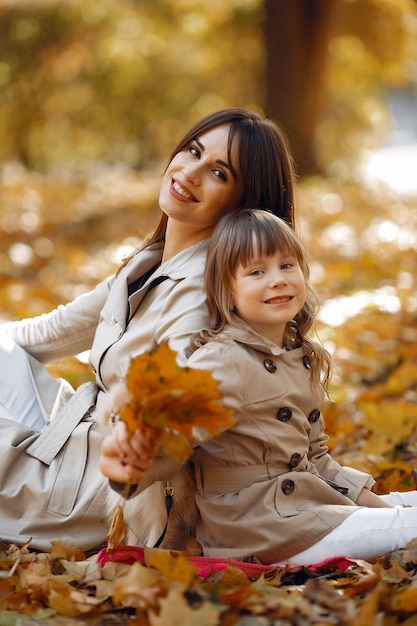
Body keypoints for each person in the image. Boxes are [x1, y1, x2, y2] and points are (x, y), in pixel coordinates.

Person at [0, 108, 296, 552]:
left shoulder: (202, 290)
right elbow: (45, 333)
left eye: (218, 172)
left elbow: (175, 414)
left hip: (102, 491)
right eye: (193, 151)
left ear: (243, 204)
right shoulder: (150, 264)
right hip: (73, 440)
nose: (189, 172)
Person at [100, 209, 417, 565]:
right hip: (255, 528)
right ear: (228, 290)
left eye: (287, 265)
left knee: (410, 507)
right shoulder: (220, 361)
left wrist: (382, 504)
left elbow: (316, 458)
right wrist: (130, 464)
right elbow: (175, 442)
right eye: (256, 272)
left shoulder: (299, 354)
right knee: (406, 522)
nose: (278, 280)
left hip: (301, 508)